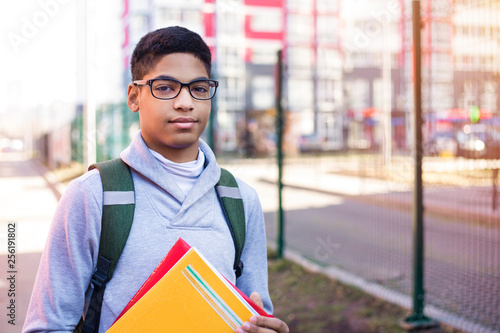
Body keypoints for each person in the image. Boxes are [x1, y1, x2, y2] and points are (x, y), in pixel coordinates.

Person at [23, 26, 289, 333]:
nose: (185, 102)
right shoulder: (93, 195)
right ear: (134, 97)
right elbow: (47, 326)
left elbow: (257, 314)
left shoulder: (241, 200)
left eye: (199, 88)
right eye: (165, 87)